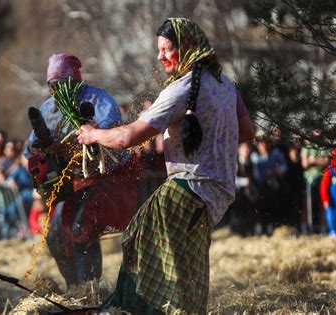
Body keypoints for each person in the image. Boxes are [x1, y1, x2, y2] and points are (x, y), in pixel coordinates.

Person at [77, 18, 255, 313]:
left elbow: (128, 137)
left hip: (185, 189)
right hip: (216, 196)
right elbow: (247, 132)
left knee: (138, 245)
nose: (159, 57)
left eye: (166, 49)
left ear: (185, 48)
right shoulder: (226, 86)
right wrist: (209, 138)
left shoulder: (179, 90)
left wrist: (92, 134)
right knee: (188, 269)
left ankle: (131, 311)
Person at [25, 53, 139, 288]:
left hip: (107, 177)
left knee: (81, 230)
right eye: (52, 86)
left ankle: (90, 290)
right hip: (74, 183)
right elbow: (30, 147)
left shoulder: (99, 100)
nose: (57, 91)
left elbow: (112, 132)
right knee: (56, 235)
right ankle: (75, 290)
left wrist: (87, 135)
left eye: (62, 85)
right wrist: (44, 152)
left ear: (75, 81)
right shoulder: (47, 109)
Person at [319, 148, 336, 236]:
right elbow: (323, 187)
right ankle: (333, 232)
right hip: (332, 202)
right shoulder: (329, 172)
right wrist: (325, 200)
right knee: (332, 217)